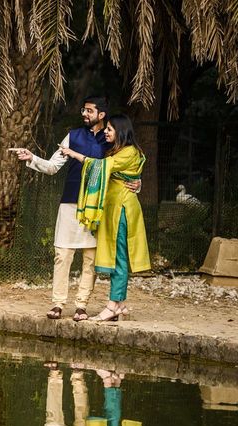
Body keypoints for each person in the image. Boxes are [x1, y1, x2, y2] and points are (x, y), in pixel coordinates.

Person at [13, 97, 140, 322]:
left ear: (101, 115)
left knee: (90, 259)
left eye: (89, 111)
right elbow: (53, 167)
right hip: (70, 203)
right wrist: (32, 158)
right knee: (62, 255)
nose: (84, 114)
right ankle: (58, 303)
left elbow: (124, 169)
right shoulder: (73, 136)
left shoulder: (111, 139)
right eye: (83, 109)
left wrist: (137, 184)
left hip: (96, 208)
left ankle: (81, 305)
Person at [60, 115, 151, 322]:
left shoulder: (129, 152)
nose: (106, 132)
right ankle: (118, 304)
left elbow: (99, 167)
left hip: (122, 211)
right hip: (113, 211)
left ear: (121, 131)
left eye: (109, 129)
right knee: (116, 257)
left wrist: (74, 154)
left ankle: (112, 306)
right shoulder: (120, 151)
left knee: (119, 259)